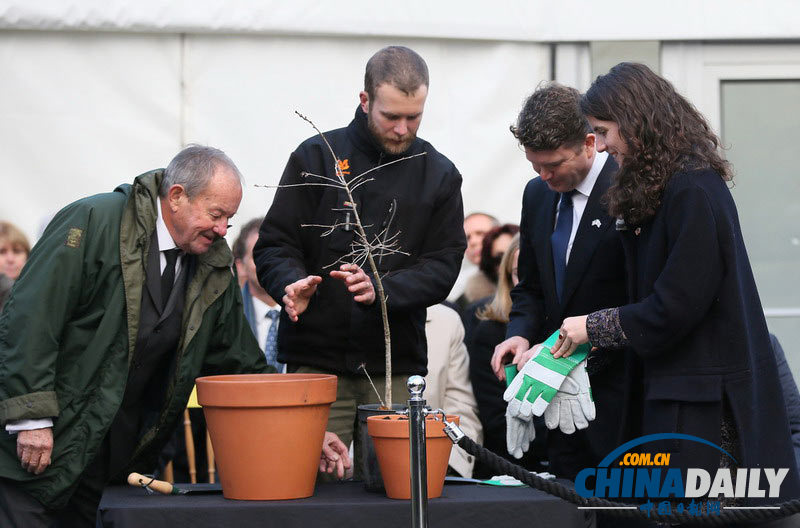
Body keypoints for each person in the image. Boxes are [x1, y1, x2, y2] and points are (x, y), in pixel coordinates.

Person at [0, 145, 349, 527]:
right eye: (216, 214)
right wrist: (31, 419)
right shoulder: (93, 221)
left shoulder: (213, 265)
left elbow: (240, 365)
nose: (222, 230)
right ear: (177, 196)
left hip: (113, 463)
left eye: (229, 220)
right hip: (38, 450)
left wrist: (305, 434)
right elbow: (30, 317)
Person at [552, 62, 800, 504]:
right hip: (680, 396)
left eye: (604, 131)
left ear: (634, 120)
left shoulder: (692, 190)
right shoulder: (670, 189)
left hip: (706, 409)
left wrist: (592, 327)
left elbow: (675, 306)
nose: (602, 145)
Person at [254, 46, 466, 459]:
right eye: (392, 116)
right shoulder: (316, 157)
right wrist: (290, 283)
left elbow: (444, 265)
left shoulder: (438, 174)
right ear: (365, 100)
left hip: (395, 368)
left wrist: (383, 290)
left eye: (414, 117)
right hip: (316, 364)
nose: (402, 129)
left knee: (395, 486)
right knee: (310, 479)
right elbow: (275, 243)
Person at [489, 83, 629, 480]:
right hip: (556, 396)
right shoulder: (537, 195)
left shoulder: (627, 189)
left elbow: (639, 295)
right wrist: (519, 333)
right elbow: (531, 287)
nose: (544, 175)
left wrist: (571, 349)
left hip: (619, 394)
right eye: (535, 165)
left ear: (590, 143)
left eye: (553, 165)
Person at [468, 235, 549, 477]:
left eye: (537, 272)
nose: (528, 282)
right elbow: (495, 420)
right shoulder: (492, 332)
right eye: (518, 274)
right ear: (506, 278)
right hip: (514, 468)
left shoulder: (575, 330)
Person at [423, 303, 483, 478]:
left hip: (436, 470)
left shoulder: (446, 320)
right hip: (356, 467)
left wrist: (447, 465)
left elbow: (462, 409)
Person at [233, 218, 283, 372]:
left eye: (277, 254)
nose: (269, 263)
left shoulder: (308, 315)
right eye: (258, 255)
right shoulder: (230, 318)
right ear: (240, 266)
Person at [448, 212, 499, 306]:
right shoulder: (460, 299)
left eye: (480, 233)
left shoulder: (522, 273)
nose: (473, 242)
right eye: (467, 238)